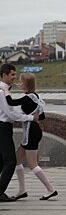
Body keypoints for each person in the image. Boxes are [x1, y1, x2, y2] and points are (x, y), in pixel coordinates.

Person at [6, 73, 57, 201]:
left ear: (25, 84)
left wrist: (5, 90)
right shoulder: (35, 96)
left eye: (20, 82)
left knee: (32, 164)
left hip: (31, 131)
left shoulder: (28, 98)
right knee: (17, 160)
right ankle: (22, 190)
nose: (19, 83)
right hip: (32, 130)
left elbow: (11, 102)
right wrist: (33, 116)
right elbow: (43, 116)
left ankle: (50, 189)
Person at [0, 64, 39, 203]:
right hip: (2, 127)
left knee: (2, 161)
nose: (14, 78)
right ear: (4, 75)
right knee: (10, 161)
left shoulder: (5, 90)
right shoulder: (2, 90)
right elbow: (9, 113)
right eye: (12, 75)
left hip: (4, 127)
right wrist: (30, 117)